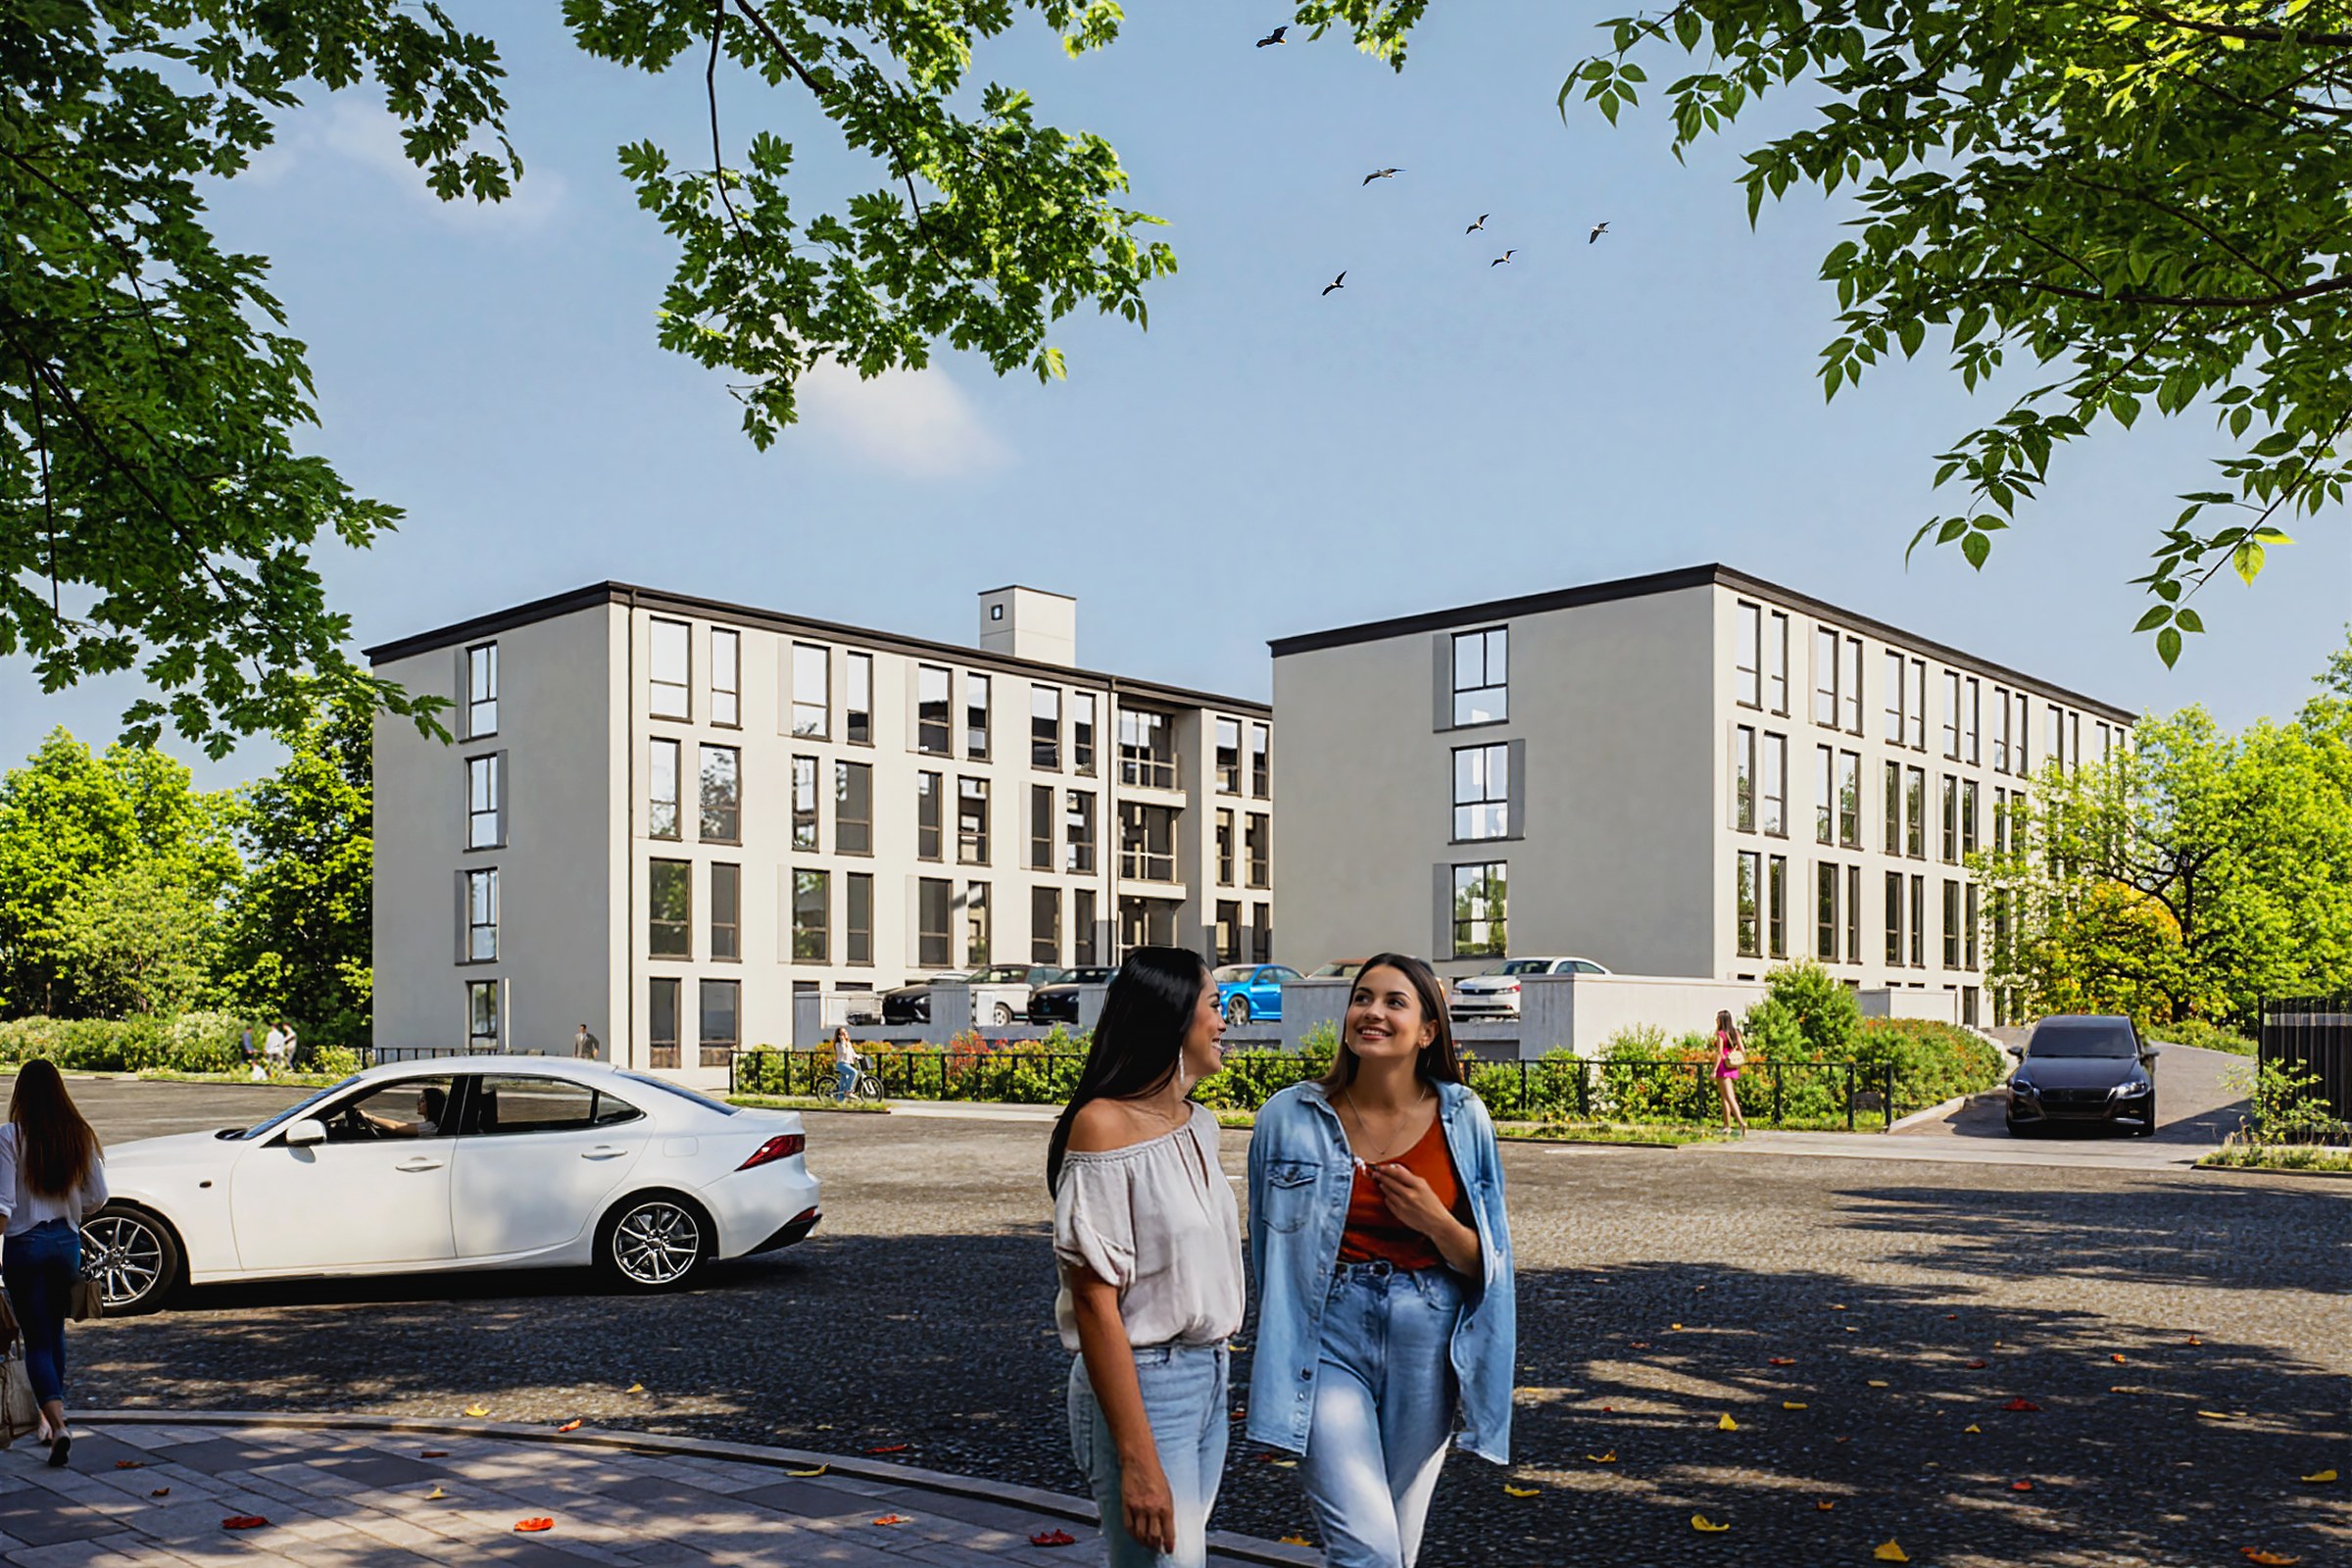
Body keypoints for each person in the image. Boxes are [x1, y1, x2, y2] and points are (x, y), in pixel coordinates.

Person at [1247, 954, 1515, 1568]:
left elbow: (1490, 1268)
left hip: (1427, 1334)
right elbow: (1267, 1256)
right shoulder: (1289, 1116)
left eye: (1396, 1002)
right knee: (1368, 1548)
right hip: (1324, 1336)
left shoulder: (1463, 1117)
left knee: (1396, 1546)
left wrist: (1437, 1223)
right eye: (1363, 997)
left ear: (1427, 1031)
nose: (1372, 1011)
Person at [1049, 947, 1243, 1568]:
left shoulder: (1200, 1124)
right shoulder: (1102, 1126)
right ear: (1172, 1019)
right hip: (1144, 1382)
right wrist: (1137, 1460)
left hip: (1208, 1374)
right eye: (1213, 1006)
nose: (1224, 1020)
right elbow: (1094, 1302)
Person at [0, 1059, 109, 1469]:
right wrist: (67, 1205)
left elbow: (3, 1203)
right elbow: (98, 1197)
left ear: (21, 1095)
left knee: (36, 1340)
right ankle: (53, 1419)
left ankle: (57, 1425)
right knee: (55, 1333)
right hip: (65, 1242)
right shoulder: (77, 1135)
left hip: (24, 1245)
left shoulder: (10, 1137)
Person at [1711, 1008, 1748, 1135]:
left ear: (1721, 1020)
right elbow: (1743, 1050)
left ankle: (1741, 1123)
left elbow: (1720, 1053)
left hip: (1723, 1066)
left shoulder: (1721, 1034)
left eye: (1717, 1018)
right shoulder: (1735, 1032)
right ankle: (1726, 1125)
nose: (1716, 1020)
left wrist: (1714, 1070)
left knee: (1729, 1097)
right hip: (1732, 1065)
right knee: (1724, 1097)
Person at [832, 1026, 858, 1102]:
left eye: (845, 1032)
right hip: (841, 1064)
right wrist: (842, 1042)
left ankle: (839, 1102)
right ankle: (848, 1091)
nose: (845, 1034)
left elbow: (853, 1053)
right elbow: (843, 1052)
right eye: (842, 1033)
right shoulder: (838, 1044)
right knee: (853, 1072)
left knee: (842, 1084)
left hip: (848, 1064)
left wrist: (858, 1056)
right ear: (839, 1036)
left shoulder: (849, 1043)